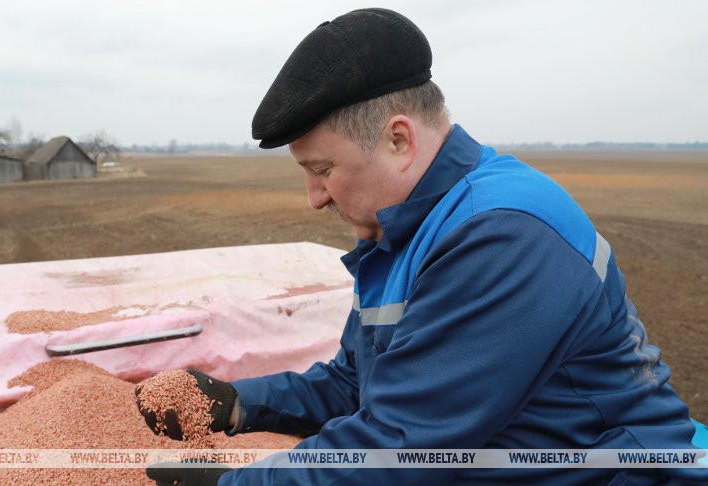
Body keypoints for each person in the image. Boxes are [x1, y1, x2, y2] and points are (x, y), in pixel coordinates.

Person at [137, 8, 708, 485]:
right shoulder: (404, 232)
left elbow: (398, 446)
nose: (314, 198)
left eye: (322, 169)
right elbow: (355, 386)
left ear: (398, 140)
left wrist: (230, 482)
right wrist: (236, 403)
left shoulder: (501, 233)